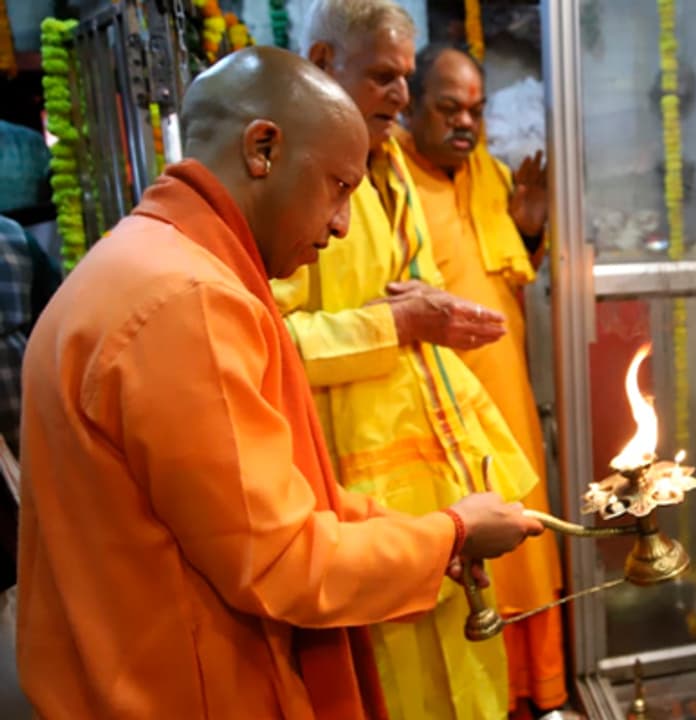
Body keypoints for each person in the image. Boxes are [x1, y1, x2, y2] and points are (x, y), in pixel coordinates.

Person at [16, 46, 542, 719]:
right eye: (338, 187)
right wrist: (449, 535)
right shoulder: (188, 300)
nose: (340, 225)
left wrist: (427, 530)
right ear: (262, 149)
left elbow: (256, 504)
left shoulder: (141, 259)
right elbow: (284, 561)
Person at [280, 2, 542, 717]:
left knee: (467, 649)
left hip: (440, 463)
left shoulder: (389, 159)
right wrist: (395, 325)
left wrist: (433, 313)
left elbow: (413, 289)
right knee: (398, 676)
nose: (399, 95)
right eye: (385, 77)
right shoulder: (291, 177)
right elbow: (265, 342)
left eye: (404, 77)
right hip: (354, 474)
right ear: (327, 65)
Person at [397, 43, 566, 717]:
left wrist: (529, 228)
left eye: (475, 109)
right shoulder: (392, 181)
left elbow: (509, 271)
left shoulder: (493, 174)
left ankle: (541, 693)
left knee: (528, 544)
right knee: (474, 554)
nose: (465, 123)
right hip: (443, 413)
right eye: (448, 108)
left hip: (509, 398)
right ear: (413, 105)